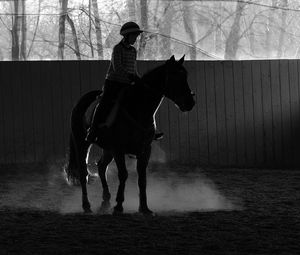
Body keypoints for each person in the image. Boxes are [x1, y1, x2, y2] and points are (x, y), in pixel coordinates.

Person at [86, 21, 163, 143]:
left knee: (144, 101)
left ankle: (152, 129)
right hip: (113, 82)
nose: (136, 39)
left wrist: (139, 79)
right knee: (104, 103)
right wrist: (130, 76)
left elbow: (133, 68)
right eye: (134, 36)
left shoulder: (133, 51)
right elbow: (117, 68)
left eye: (137, 37)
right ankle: (93, 130)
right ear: (127, 36)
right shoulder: (117, 49)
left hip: (128, 82)